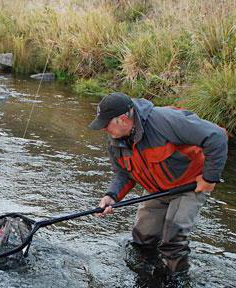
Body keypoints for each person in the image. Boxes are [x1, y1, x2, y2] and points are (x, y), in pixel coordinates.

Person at [89, 92, 228, 273]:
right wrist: (112, 196)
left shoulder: (166, 121)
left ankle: (175, 279)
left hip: (190, 185)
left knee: (173, 242)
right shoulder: (114, 142)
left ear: (123, 119)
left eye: (106, 125)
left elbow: (216, 136)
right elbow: (123, 174)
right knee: (142, 238)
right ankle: (147, 275)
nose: (103, 130)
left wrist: (209, 178)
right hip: (156, 189)